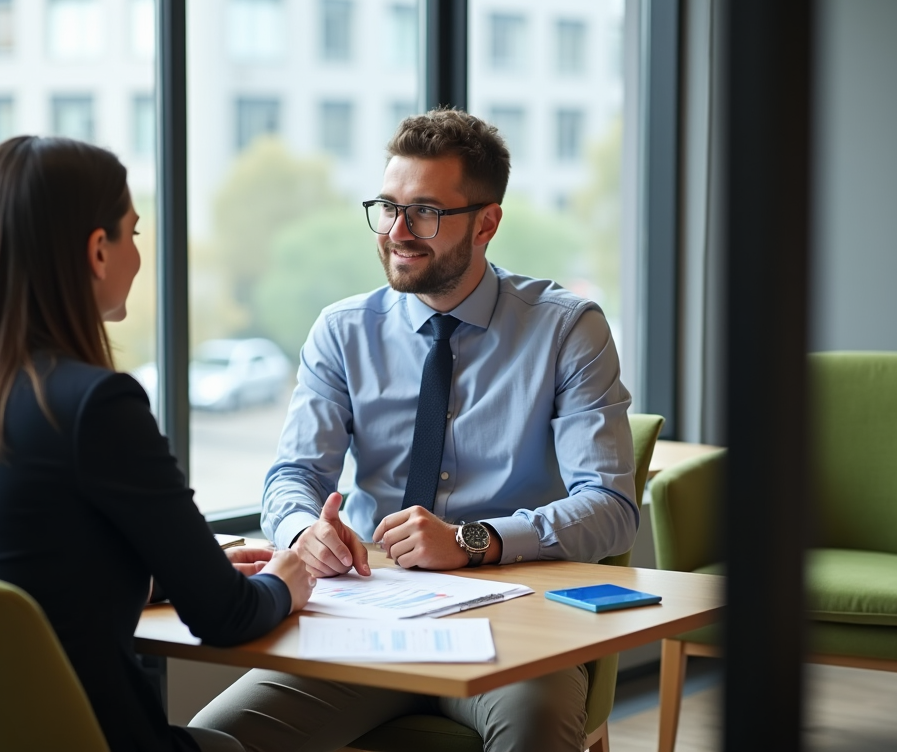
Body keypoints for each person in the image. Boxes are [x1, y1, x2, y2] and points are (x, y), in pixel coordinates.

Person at [191, 109, 636, 752]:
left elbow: (612, 508)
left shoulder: (567, 329)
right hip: (366, 620)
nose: (398, 231)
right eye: (388, 207)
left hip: (514, 622)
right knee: (214, 740)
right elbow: (292, 478)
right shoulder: (342, 332)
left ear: (487, 223)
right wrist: (305, 533)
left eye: (426, 211)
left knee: (533, 733)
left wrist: (472, 540)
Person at [0, 136, 314, 752]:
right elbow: (226, 618)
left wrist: (161, 579)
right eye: (134, 233)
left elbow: (5, 563)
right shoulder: (94, 406)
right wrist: (288, 578)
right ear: (99, 250)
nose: (138, 254)